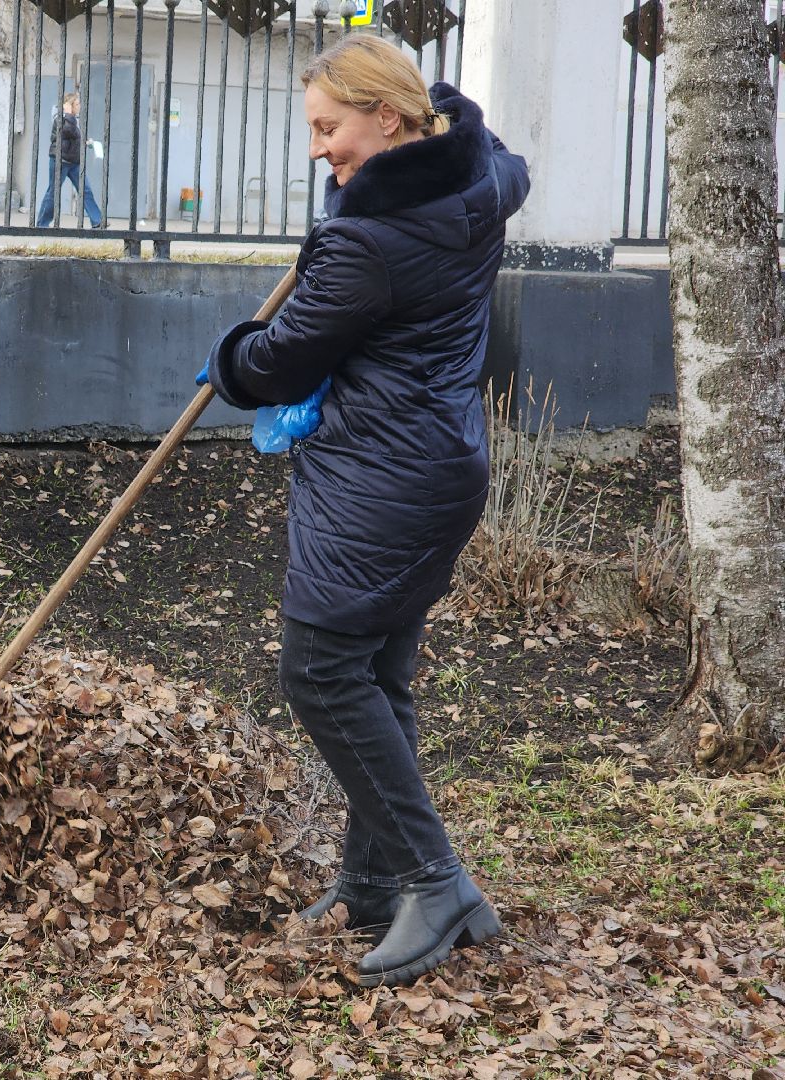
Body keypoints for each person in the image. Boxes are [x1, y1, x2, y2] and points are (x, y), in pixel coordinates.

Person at [201, 36, 529, 987]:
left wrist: (230, 359)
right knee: (380, 673)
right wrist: (452, 114)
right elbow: (489, 149)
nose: (318, 150)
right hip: (440, 469)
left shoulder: (364, 243)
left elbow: (280, 362)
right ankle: (373, 879)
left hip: (379, 479)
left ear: (387, 120)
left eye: (327, 127)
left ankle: (439, 884)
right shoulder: (482, 187)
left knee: (318, 669)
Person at [36, 93, 105, 229]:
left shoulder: (74, 118)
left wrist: (85, 142)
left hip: (74, 162)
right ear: (70, 105)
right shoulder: (59, 116)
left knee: (86, 190)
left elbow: (73, 135)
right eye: (77, 104)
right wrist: (68, 114)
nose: (80, 106)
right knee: (53, 192)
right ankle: (42, 224)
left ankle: (97, 221)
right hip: (60, 161)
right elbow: (66, 131)